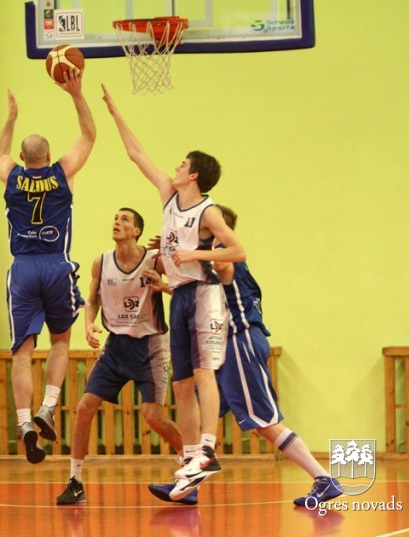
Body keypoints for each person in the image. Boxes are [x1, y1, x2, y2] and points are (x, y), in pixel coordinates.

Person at [102, 85, 246, 502]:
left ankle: (207, 451)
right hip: (179, 295)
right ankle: (189, 468)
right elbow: (137, 154)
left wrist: (194, 252)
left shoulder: (208, 211)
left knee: (202, 375)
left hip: (204, 294)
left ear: (194, 175)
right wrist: (115, 112)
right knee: (181, 385)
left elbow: (238, 251)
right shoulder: (168, 196)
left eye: (183, 163)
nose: (176, 166)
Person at [56, 208, 193, 506]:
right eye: (115, 219)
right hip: (116, 347)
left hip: (150, 346)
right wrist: (88, 323)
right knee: (84, 408)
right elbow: (92, 300)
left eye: (124, 220)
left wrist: (163, 286)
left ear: (137, 231)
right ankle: (75, 481)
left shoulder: (155, 260)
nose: (117, 223)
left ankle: (191, 471)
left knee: (153, 416)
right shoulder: (101, 262)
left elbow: (186, 288)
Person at [0, 69, 96, 464]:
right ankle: (48, 406)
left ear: (23, 159)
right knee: (60, 341)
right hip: (56, 265)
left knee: (22, 352)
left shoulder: (11, 176)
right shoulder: (62, 172)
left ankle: (24, 423)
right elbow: (88, 136)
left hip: (22, 268)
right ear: (49, 157)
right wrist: (76, 94)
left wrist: (10, 119)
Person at [211, 204, 342, 507]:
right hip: (229, 345)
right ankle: (188, 478)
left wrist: (181, 251)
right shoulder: (224, 259)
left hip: (240, 341)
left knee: (265, 421)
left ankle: (323, 478)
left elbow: (212, 268)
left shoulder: (223, 256)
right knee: (201, 409)